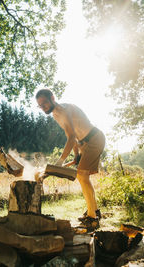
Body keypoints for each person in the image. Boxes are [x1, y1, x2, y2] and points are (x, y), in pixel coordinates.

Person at [35, 89, 105, 230]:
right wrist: (76, 155)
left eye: (44, 103)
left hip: (94, 138)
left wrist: (60, 162)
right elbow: (70, 135)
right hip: (83, 144)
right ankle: (94, 210)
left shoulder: (65, 109)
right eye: (40, 106)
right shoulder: (56, 114)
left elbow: (72, 137)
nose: (43, 108)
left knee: (82, 175)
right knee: (83, 177)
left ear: (52, 98)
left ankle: (93, 218)